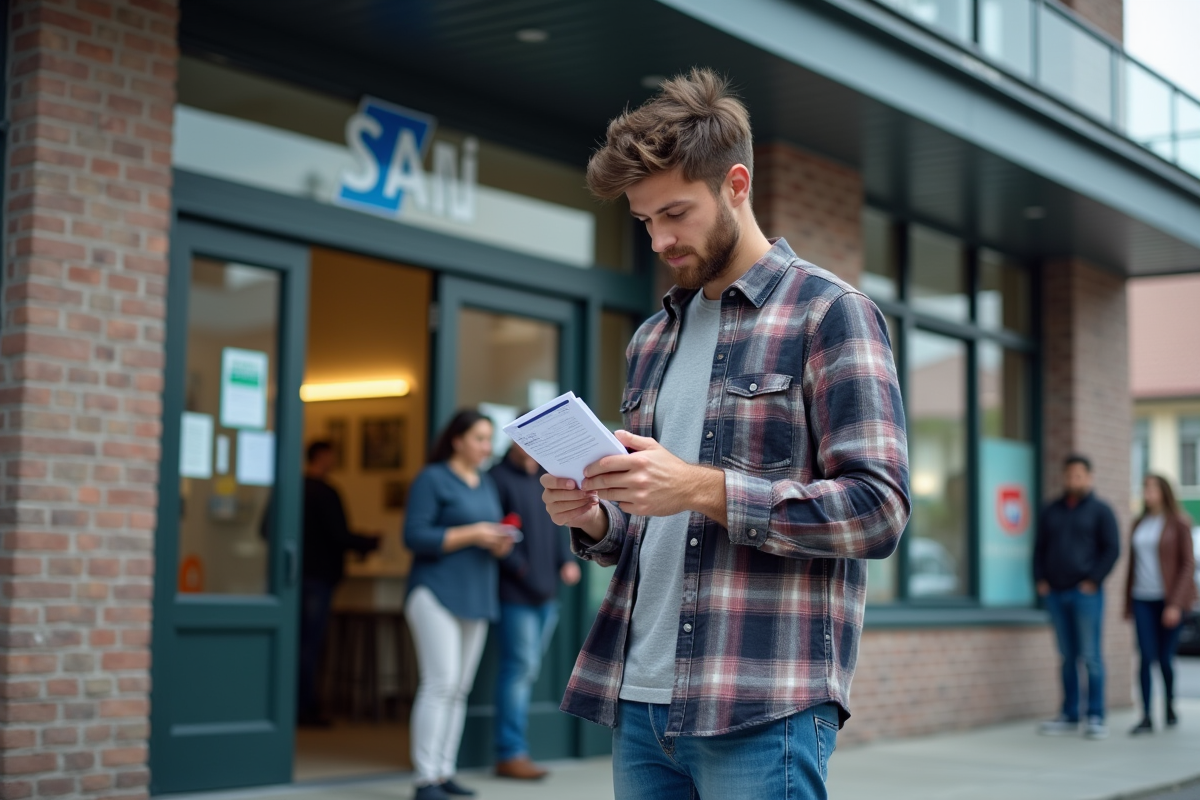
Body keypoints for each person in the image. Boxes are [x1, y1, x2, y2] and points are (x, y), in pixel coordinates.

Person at [539, 69, 910, 800]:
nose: (659, 240)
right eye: (644, 221)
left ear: (736, 184)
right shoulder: (651, 339)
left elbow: (879, 511)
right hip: (639, 700)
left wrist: (699, 487)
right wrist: (596, 517)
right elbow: (651, 524)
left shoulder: (829, 313)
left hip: (761, 703)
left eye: (675, 213)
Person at [404, 410, 516, 800]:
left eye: (489, 439)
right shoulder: (432, 479)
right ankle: (425, 779)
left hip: (477, 594)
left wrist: (497, 543)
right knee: (440, 684)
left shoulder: (485, 482)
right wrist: (474, 533)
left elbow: (486, 534)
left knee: (459, 689)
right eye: (479, 438)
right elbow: (414, 536)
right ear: (457, 440)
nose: (487, 447)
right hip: (435, 592)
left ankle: (444, 772)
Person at [490, 442, 582, 780]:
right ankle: (510, 753)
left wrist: (566, 560)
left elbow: (558, 526)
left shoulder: (547, 477)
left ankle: (514, 750)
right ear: (514, 443)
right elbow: (498, 537)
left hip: (547, 594)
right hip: (515, 594)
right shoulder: (496, 478)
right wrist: (524, 571)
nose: (529, 449)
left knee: (526, 670)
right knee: (520, 669)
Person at [1033, 454, 1120, 740]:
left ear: (1089, 477)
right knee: (1066, 656)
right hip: (1056, 594)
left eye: (1078, 475)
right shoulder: (1051, 510)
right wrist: (1040, 580)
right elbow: (1039, 548)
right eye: (1069, 475)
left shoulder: (1101, 511)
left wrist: (1093, 580)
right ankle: (1069, 714)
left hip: (1086, 595)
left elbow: (1112, 549)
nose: (1073, 480)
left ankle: (1095, 715)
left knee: (1091, 656)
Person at [296, 440, 379, 727]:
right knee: (310, 645)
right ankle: (305, 708)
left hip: (293, 578)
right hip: (318, 577)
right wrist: (369, 543)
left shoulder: (293, 488)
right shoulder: (325, 492)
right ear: (322, 456)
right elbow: (339, 535)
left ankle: (294, 706)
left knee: (298, 643)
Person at [1125, 474, 1196, 735]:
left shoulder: (1179, 522)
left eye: (1152, 488)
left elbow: (1188, 564)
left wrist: (1175, 604)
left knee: (1165, 658)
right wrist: (1127, 601)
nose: (1147, 493)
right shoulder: (1139, 523)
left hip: (1167, 599)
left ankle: (1169, 705)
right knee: (1145, 657)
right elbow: (1132, 565)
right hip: (1142, 597)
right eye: (1145, 488)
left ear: (1164, 492)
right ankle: (1145, 715)